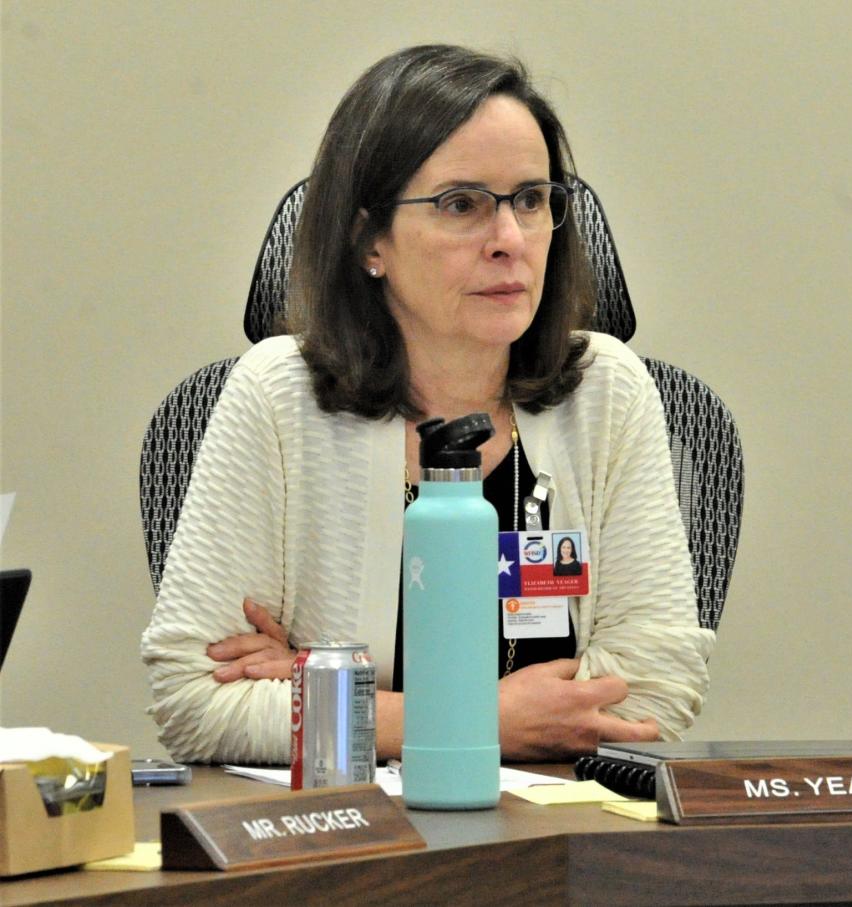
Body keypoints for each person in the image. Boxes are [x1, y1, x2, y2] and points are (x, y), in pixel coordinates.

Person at [141, 44, 715, 766]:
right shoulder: (278, 396)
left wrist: (326, 694)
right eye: (462, 204)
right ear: (368, 239)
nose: (509, 240)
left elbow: (657, 690)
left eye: (531, 201)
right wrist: (488, 721)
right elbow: (194, 704)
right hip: (357, 852)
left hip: (562, 840)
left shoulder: (608, 390)